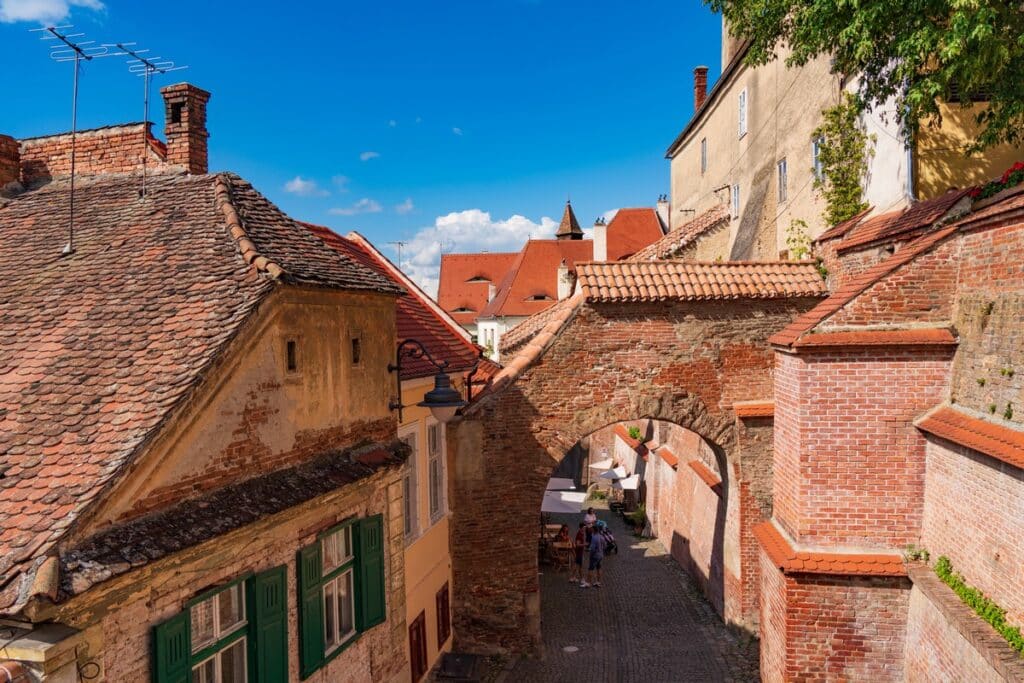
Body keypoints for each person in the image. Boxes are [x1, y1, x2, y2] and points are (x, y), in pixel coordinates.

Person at [584, 520, 608, 588]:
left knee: (590, 569)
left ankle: (588, 583)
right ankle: (598, 582)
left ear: (594, 530)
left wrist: (591, 554)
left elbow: (593, 549)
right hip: (600, 555)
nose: (591, 530)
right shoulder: (601, 536)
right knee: (599, 568)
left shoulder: (594, 538)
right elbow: (605, 546)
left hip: (595, 556)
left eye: (592, 529)